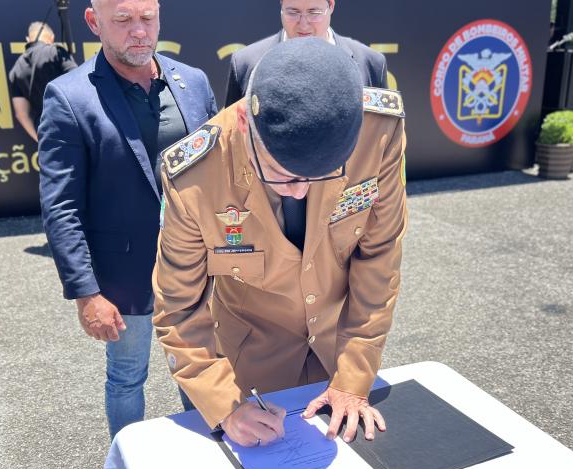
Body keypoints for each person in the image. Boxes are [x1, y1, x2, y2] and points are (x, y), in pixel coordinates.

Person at [153, 38, 407, 447]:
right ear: (244, 125)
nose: (300, 192)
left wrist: (355, 374)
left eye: (319, 175)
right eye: (282, 174)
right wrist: (226, 405)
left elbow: (379, 256)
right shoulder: (195, 177)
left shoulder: (379, 130)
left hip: (338, 354)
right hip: (251, 374)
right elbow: (178, 308)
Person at [38, 0, 217, 438]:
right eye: (123, 20)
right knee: (126, 377)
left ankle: (214, 459)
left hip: (200, 270)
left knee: (202, 371)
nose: (138, 31)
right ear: (94, 22)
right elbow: (61, 207)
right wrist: (86, 293)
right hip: (123, 279)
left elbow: (221, 175)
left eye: (147, 18)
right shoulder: (69, 96)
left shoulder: (192, 82)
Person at [223, 0, 388, 107]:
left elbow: (384, 139)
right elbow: (233, 141)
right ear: (281, 5)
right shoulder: (245, 63)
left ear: (331, 6)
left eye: (313, 13)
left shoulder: (371, 63)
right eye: (293, 12)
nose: (303, 24)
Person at [8, 21, 78, 142]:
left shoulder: (15, 70)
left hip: (48, 134)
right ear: (52, 38)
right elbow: (79, 83)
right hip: (74, 128)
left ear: (27, 39)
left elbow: (21, 114)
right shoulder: (55, 52)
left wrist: (41, 141)